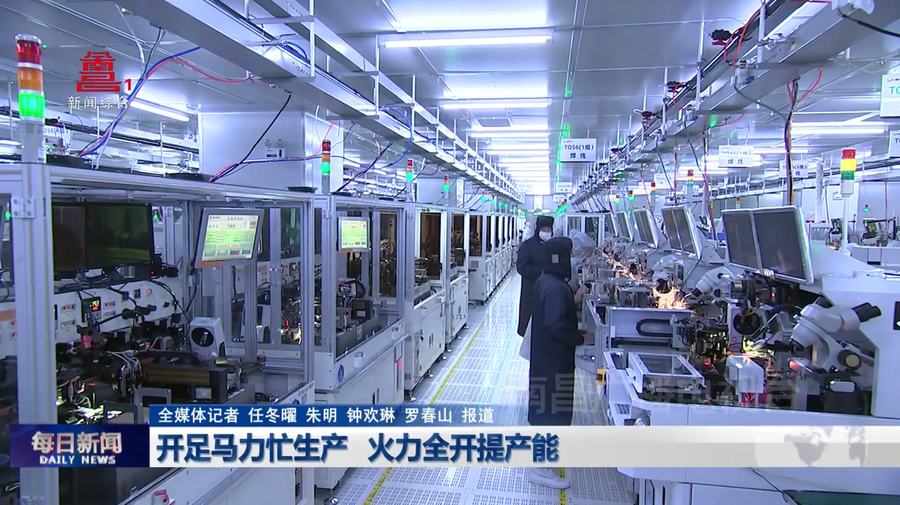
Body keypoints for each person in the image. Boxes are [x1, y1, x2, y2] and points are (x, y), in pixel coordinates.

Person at [527, 237, 592, 489]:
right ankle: (541, 470)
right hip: (554, 361)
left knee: (546, 407)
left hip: (546, 358)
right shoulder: (555, 287)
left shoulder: (547, 281)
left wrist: (575, 331)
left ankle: (543, 462)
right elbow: (556, 325)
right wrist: (580, 338)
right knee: (551, 410)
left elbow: (556, 318)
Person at [516, 216, 554, 338]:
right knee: (530, 323)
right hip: (531, 289)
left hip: (549, 290)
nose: (546, 233)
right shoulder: (527, 246)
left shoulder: (554, 246)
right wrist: (539, 271)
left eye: (549, 230)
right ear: (538, 229)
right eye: (544, 229)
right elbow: (521, 267)